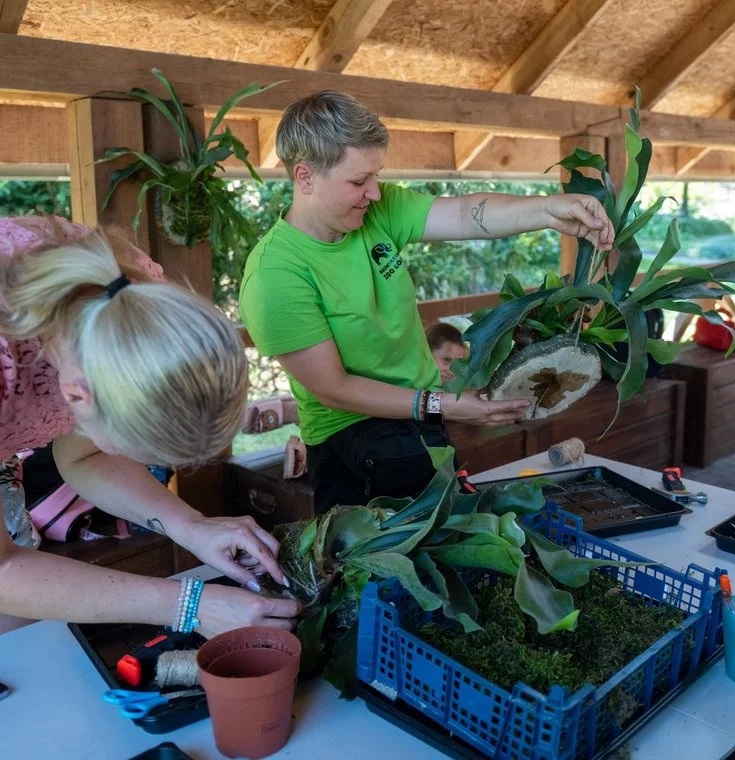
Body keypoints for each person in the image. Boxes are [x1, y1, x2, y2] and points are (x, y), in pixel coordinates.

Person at [239, 90, 615, 513]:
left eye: (376, 176)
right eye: (359, 182)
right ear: (304, 177)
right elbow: (335, 390)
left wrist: (548, 210)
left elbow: (465, 214)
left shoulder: (376, 211)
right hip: (355, 441)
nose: (374, 193)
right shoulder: (275, 275)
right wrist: (446, 406)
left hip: (421, 416)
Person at [0, 216, 301, 635]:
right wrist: (188, 605)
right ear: (76, 394)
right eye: (129, 448)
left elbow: (83, 454)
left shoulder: (131, 292)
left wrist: (188, 525)